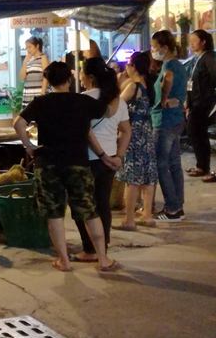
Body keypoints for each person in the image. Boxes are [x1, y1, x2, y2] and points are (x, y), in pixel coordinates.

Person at [14, 62, 118, 272]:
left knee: (54, 214)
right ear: (69, 79)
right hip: (78, 163)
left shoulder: (40, 102)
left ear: (48, 81)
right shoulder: (83, 101)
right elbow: (109, 112)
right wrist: (114, 87)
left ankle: (64, 260)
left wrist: (29, 147)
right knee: (89, 211)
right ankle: (103, 259)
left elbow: (18, 123)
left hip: (48, 164)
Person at [73, 58, 131, 262]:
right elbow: (126, 131)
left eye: (80, 72)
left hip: (87, 159)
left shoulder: (82, 99)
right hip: (110, 162)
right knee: (102, 204)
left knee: (83, 206)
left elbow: (86, 132)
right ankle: (102, 249)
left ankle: (89, 250)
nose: (78, 76)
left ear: (89, 77)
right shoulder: (117, 100)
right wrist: (118, 156)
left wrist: (103, 156)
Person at [116, 51, 159, 230]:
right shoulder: (148, 84)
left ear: (133, 66)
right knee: (148, 175)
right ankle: (147, 215)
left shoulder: (133, 86)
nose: (126, 66)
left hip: (133, 134)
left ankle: (129, 219)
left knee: (131, 177)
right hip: (146, 132)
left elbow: (117, 105)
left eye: (128, 64)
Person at [151, 30, 188, 222]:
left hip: (164, 120)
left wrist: (164, 98)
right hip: (176, 120)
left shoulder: (169, 65)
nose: (153, 51)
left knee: (161, 164)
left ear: (164, 48)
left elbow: (168, 78)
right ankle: (177, 205)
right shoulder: (180, 65)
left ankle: (172, 208)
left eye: (155, 47)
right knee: (174, 163)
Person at [184, 30, 216, 181]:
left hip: (205, 104)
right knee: (197, 133)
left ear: (203, 42)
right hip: (196, 103)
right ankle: (202, 166)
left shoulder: (209, 57)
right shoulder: (197, 59)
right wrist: (188, 102)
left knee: (196, 132)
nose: (191, 43)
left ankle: (204, 166)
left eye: (194, 40)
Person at [20, 37, 50, 107]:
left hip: (39, 93)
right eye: (26, 48)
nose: (28, 50)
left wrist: (42, 93)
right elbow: (22, 78)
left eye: (30, 47)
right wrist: (25, 62)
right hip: (28, 94)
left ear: (37, 46)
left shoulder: (43, 57)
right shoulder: (28, 60)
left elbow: (46, 76)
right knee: (28, 116)